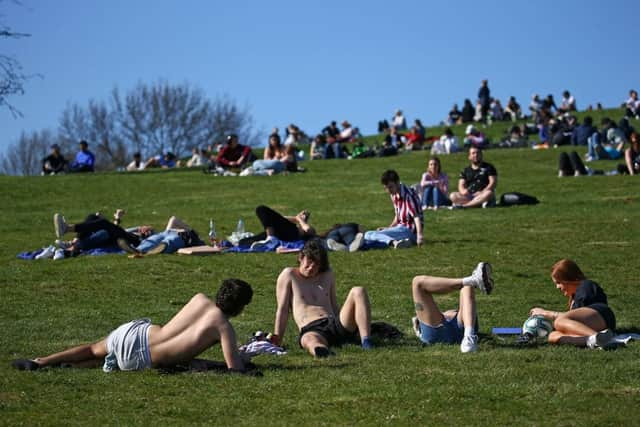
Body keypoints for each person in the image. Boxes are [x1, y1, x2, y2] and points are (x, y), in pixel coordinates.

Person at [13, 279, 256, 373]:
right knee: (106, 360)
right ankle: (67, 367)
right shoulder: (223, 327)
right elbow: (234, 368)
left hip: (136, 333)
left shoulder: (199, 299)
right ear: (240, 307)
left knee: (94, 349)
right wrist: (241, 360)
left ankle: (41, 361)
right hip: (144, 358)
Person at [271, 239, 373, 357]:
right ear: (301, 257)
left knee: (358, 290)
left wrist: (348, 323)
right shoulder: (289, 275)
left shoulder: (327, 274)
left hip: (334, 322)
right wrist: (277, 339)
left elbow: (333, 303)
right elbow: (283, 310)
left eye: (316, 265)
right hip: (312, 328)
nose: (311, 268)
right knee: (309, 339)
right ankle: (322, 351)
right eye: (309, 262)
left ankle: (366, 340)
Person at [528, 259, 616, 349]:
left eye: (559, 282)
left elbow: (582, 317)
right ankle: (592, 340)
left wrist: (545, 313)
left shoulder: (586, 286)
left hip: (602, 315)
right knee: (553, 336)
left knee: (559, 322)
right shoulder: (574, 297)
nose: (557, 287)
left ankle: (605, 339)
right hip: (595, 325)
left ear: (568, 279)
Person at [411, 262, 493, 353]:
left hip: (439, 331)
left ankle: (469, 337)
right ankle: (469, 337)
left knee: (417, 282)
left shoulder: (428, 316)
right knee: (417, 282)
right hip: (455, 327)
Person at [52, 211, 155, 258]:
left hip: (130, 240)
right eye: (146, 227)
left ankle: (68, 230)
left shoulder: (141, 238)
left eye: (148, 229)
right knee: (92, 217)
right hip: (117, 236)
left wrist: (147, 233)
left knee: (104, 227)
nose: (146, 227)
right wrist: (117, 218)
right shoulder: (134, 229)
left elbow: (119, 231)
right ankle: (73, 242)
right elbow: (118, 229)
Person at [363, 170, 423, 249]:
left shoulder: (408, 195)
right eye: (386, 188)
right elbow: (397, 216)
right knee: (371, 238)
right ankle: (402, 243)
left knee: (368, 234)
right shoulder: (394, 194)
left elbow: (416, 216)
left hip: (409, 231)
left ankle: (394, 242)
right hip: (401, 228)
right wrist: (389, 228)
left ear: (397, 182)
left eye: (390, 187)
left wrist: (419, 236)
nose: (388, 191)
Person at [238, 205, 316, 249]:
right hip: (278, 233)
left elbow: (308, 229)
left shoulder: (305, 228)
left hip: (291, 234)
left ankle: (271, 238)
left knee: (261, 209)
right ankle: (269, 240)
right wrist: (295, 218)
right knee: (242, 242)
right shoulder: (293, 224)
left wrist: (300, 219)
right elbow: (278, 219)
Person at [118, 216, 203, 255]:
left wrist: (190, 231)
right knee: (154, 240)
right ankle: (138, 250)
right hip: (168, 234)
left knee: (169, 240)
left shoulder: (192, 236)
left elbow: (173, 219)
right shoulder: (189, 232)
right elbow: (173, 219)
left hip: (180, 236)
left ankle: (161, 248)